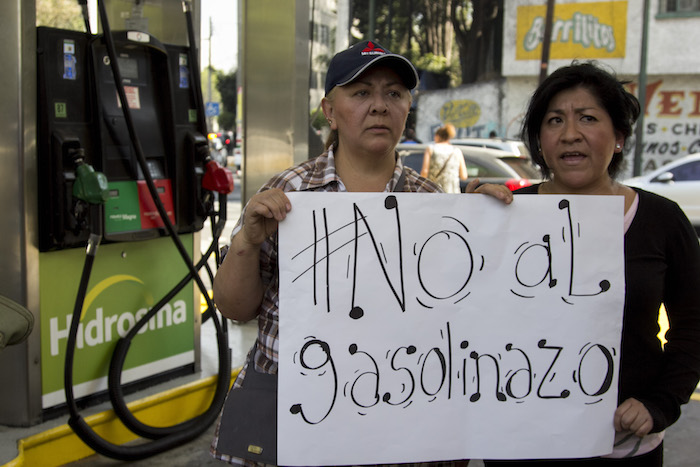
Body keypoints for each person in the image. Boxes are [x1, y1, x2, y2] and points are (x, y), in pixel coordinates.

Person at [210, 40, 512, 466]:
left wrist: (497, 231)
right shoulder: (289, 192)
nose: (380, 106)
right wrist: (246, 242)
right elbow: (233, 307)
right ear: (330, 110)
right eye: (361, 92)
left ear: (408, 108)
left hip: (397, 416)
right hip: (292, 412)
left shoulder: (430, 202)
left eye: (394, 93)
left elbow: (462, 319)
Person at [484, 61, 700, 466]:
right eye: (554, 121)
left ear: (618, 137)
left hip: (625, 448)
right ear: (540, 141)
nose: (570, 134)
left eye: (587, 118)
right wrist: (470, 219)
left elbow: (692, 328)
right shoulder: (504, 214)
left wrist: (660, 404)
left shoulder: (662, 220)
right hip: (519, 445)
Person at [420, 123, 469, 193]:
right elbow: (464, 176)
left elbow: (424, 172)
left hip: (435, 191)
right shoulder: (456, 151)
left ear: (438, 136)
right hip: (453, 193)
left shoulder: (431, 149)